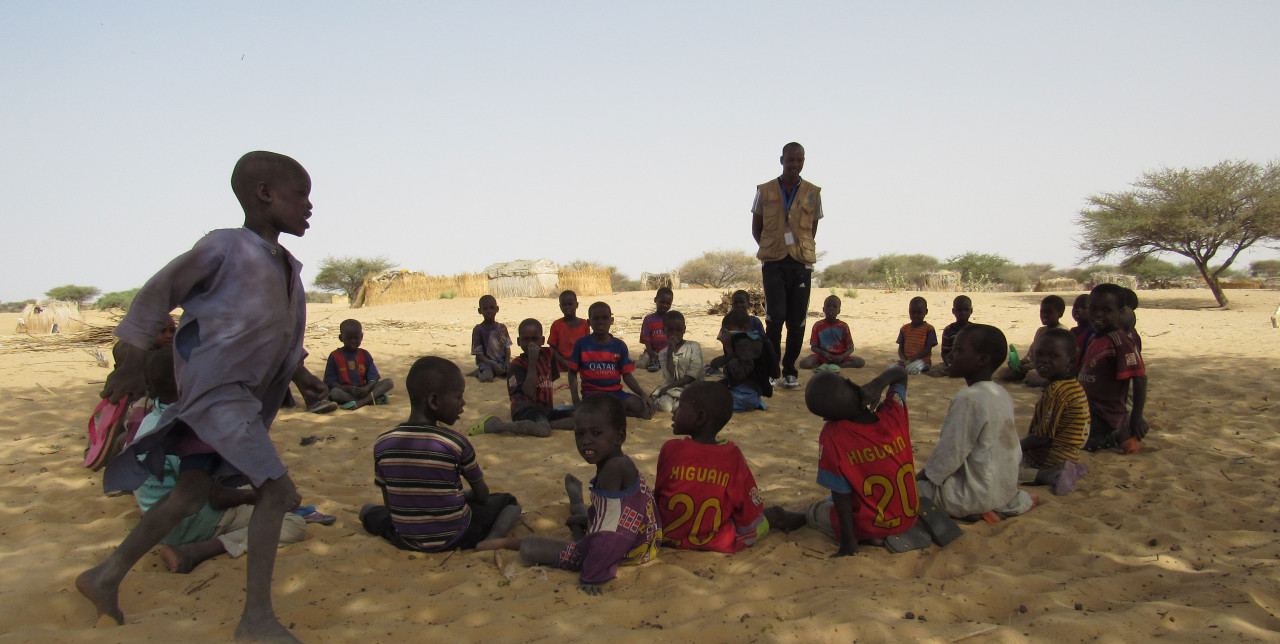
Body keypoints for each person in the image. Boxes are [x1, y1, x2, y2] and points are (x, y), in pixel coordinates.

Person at [81, 151, 315, 641]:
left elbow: (274, 336)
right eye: (301, 195)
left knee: (188, 496)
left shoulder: (287, 267)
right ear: (264, 194)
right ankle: (256, 620)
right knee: (277, 493)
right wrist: (130, 360)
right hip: (218, 399)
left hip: (240, 404)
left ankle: (105, 576)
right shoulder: (225, 246)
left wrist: (303, 375)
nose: (309, 206)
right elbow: (159, 292)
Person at [477, 394, 661, 595]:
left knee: (533, 549)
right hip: (642, 540)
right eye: (579, 434)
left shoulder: (614, 468)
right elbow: (613, 514)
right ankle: (578, 513)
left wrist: (592, 575)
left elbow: (608, 534)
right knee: (586, 520)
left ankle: (508, 542)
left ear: (619, 437)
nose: (586, 441)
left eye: (596, 433)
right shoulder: (615, 461)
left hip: (629, 550)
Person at [360, 356, 522, 552]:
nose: (463, 403)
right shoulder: (455, 443)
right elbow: (482, 495)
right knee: (509, 503)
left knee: (367, 510)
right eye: (458, 397)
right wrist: (464, 496)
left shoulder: (383, 443)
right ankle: (493, 538)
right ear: (434, 401)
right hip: (457, 535)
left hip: (405, 538)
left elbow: (390, 506)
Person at [765, 366, 921, 554]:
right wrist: (878, 384)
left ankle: (806, 518)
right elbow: (900, 374)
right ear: (854, 385)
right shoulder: (894, 413)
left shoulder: (833, 435)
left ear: (826, 418)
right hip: (908, 519)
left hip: (870, 526)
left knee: (818, 510)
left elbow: (841, 495)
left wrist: (848, 542)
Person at [917, 324, 1035, 521]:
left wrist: (917, 480)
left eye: (958, 350)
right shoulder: (1000, 393)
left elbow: (948, 456)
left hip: (975, 496)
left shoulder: (968, 399)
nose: (950, 356)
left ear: (982, 360)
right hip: (1004, 491)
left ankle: (973, 510)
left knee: (907, 492)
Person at [655, 382, 766, 552]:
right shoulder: (732, 455)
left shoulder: (670, 449)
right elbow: (747, 510)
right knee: (773, 516)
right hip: (716, 541)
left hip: (668, 537)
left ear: (700, 417)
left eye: (681, 406)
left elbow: (659, 494)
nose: (674, 411)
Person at [752, 142, 823, 391]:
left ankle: (790, 372)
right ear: (781, 160)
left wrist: (798, 249)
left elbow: (812, 229)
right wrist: (772, 247)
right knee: (776, 317)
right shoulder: (765, 190)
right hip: (774, 262)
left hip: (800, 263)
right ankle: (772, 372)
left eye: (799, 160)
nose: (794, 165)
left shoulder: (813, 192)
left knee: (797, 320)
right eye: (790, 160)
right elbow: (756, 228)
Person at [471, 319, 575, 437]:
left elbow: (549, 380)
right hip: (525, 409)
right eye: (526, 339)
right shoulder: (516, 366)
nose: (530, 343)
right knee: (544, 431)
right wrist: (532, 362)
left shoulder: (548, 354)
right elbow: (528, 392)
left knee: (580, 417)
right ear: (518, 341)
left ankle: (545, 422)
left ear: (542, 340)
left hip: (546, 409)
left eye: (534, 339)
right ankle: (496, 425)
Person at [1078, 283, 1148, 454]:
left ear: (1120, 312)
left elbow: (1140, 378)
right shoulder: (1094, 338)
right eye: (1093, 308)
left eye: (1107, 310)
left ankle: (1115, 436)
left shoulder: (1120, 341)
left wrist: (1136, 416)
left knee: (1082, 442)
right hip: (1087, 409)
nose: (1098, 314)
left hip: (1105, 415)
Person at [1019, 328, 1090, 495]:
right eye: (1039, 354)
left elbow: (1042, 437)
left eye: (1053, 356)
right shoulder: (1072, 385)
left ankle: (1050, 475)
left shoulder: (1056, 391)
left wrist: (1015, 447)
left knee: (1003, 471)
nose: (1044, 360)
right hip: (1070, 455)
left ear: (1071, 361)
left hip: (1050, 458)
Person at [568, 302, 654, 419]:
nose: (601, 322)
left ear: (611, 320)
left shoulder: (619, 346)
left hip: (616, 394)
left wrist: (643, 394)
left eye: (605, 318)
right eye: (596, 318)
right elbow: (572, 372)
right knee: (600, 413)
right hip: (593, 396)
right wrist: (575, 400)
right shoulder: (581, 344)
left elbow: (627, 375)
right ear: (589, 322)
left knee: (646, 411)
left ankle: (616, 412)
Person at [323, 319, 394, 410]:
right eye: (349, 338)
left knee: (389, 382)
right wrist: (347, 389)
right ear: (341, 338)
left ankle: (360, 403)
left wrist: (367, 388)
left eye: (356, 338)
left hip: (365, 391)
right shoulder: (334, 356)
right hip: (346, 392)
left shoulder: (365, 354)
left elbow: (374, 377)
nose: (353, 341)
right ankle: (370, 400)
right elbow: (330, 382)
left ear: (361, 337)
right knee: (334, 393)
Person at [999, 295, 1065, 386]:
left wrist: (1030, 367)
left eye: (1049, 312)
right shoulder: (1041, 331)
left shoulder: (1062, 333)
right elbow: (1031, 353)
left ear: (1060, 314)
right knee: (1004, 373)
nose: (1044, 315)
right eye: (1042, 312)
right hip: (1034, 366)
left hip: (1048, 368)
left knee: (1033, 377)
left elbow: (1053, 359)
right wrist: (1021, 362)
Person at [721, 309, 779, 413]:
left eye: (728, 330)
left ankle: (753, 402)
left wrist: (729, 349)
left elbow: (740, 373)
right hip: (739, 385)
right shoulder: (740, 341)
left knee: (722, 405)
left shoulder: (749, 344)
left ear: (744, 328)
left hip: (749, 388)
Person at [649, 311, 703, 413]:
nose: (675, 334)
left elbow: (692, 376)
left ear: (684, 330)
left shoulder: (693, 346)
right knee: (665, 406)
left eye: (679, 330)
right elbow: (671, 377)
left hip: (692, 388)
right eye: (670, 330)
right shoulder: (663, 353)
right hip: (673, 389)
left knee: (681, 407)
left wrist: (669, 387)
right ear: (663, 331)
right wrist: (670, 353)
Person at [798, 295, 865, 370]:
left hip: (840, 356)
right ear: (823, 309)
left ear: (839, 311)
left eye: (835, 307)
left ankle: (834, 366)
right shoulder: (818, 325)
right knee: (804, 363)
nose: (831, 308)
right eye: (828, 306)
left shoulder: (843, 326)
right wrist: (823, 353)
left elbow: (851, 348)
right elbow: (813, 347)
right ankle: (830, 366)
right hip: (822, 356)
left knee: (860, 362)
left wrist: (842, 357)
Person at [708, 290, 765, 375]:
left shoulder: (755, 321)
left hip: (751, 355)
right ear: (732, 305)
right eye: (735, 303)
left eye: (742, 302)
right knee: (714, 363)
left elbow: (763, 339)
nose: (739, 305)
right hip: (733, 353)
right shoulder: (729, 321)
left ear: (748, 304)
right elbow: (725, 342)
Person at [470, 295, 511, 383]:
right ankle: (479, 372)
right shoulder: (478, 329)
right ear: (480, 311)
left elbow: (507, 348)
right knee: (487, 378)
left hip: (502, 362)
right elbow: (479, 354)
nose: (489, 311)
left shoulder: (502, 328)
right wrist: (493, 365)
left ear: (497, 309)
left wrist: (507, 363)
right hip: (487, 363)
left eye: (492, 308)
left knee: (514, 374)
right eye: (485, 309)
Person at [547, 290, 590, 372]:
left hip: (581, 367)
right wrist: (562, 361)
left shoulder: (584, 324)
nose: (567, 307)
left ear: (577, 305)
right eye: (564, 305)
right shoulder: (556, 325)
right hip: (562, 368)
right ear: (560, 306)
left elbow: (587, 346)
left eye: (570, 304)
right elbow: (552, 348)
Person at [932, 295, 972, 377]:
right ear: (953, 311)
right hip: (953, 362)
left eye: (966, 310)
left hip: (969, 362)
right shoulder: (948, 330)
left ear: (971, 311)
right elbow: (944, 352)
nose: (963, 313)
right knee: (934, 372)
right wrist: (949, 364)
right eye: (959, 310)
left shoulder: (974, 329)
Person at [896, 296, 938, 375]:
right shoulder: (904, 329)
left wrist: (911, 360)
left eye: (919, 313)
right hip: (906, 360)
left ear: (926, 312)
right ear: (909, 311)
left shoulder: (929, 329)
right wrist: (903, 359)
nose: (915, 315)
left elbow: (927, 350)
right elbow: (900, 349)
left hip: (922, 361)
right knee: (891, 369)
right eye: (912, 312)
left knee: (911, 370)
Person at [636, 287, 673, 372]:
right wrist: (652, 355)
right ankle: (634, 362)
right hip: (652, 352)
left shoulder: (672, 319)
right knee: (643, 363)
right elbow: (647, 340)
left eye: (668, 303)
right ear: (655, 300)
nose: (665, 305)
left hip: (668, 353)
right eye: (662, 302)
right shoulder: (648, 319)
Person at [1068, 293, 1092, 374]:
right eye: (1075, 307)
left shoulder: (1093, 334)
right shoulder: (1073, 332)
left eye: (1084, 307)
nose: (1078, 310)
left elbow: (1086, 363)